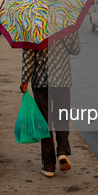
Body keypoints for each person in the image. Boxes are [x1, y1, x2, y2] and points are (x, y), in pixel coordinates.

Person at [20, 31, 80, 177]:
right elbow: (76, 49)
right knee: (62, 116)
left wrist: (24, 79)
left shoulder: (33, 24)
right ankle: (62, 150)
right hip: (62, 79)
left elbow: (29, 56)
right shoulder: (66, 23)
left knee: (44, 121)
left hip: (41, 81)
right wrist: (72, 33)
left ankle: (49, 165)